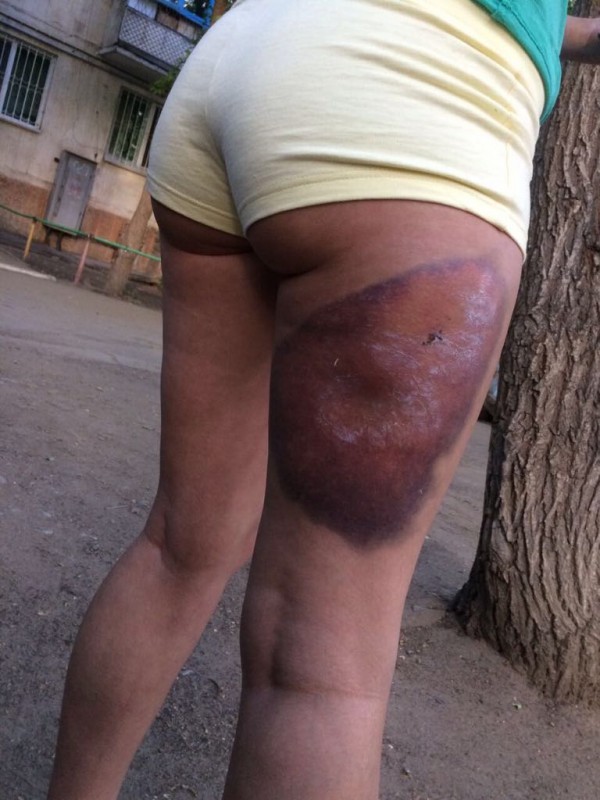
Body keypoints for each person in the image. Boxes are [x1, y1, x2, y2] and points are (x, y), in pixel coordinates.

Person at [47, 3, 600, 798]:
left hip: (247, 53)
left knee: (177, 545)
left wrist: (573, 36)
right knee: (322, 667)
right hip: (418, 97)